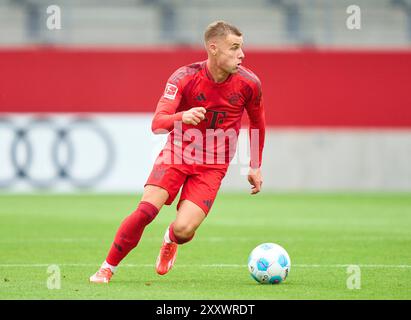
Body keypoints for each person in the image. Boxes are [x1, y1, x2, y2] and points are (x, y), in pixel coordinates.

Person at [90, 20, 265, 283]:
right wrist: (183, 116)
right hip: (177, 155)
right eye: (234, 48)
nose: (242, 54)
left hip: (213, 165)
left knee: (184, 230)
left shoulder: (249, 83)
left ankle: (170, 240)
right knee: (146, 211)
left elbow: (257, 121)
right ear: (213, 48)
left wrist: (255, 164)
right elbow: (157, 124)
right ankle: (107, 267)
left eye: (242, 48)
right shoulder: (184, 77)